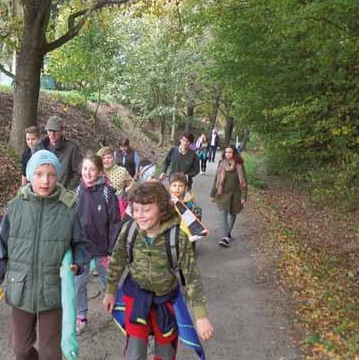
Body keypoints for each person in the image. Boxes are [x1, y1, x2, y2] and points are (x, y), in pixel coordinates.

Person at [0, 150, 89, 360]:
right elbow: (1, 248)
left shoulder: (68, 208)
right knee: (20, 349)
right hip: (21, 288)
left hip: (53, 290)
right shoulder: (16, 207)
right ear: (30, 175)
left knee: (50, 353)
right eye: (39, 174)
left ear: (57, 176)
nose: (45, 181)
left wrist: (77, 263)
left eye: (51, 174)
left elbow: (81, 244)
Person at [103, 181, 214, 359]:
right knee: (134, 351)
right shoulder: (130, 230)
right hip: (136, 298)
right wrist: (110, 290)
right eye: (136, 209)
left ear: (162, 208)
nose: (140, 215)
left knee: (165, 351)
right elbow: (117, 260)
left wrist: (200, 316)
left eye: (146, 210)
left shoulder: (177, 237)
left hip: (166, 301)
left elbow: (192, 276)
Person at [75, 153, 122, 334]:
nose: (88, 172)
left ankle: (118, 310)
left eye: (92, 169)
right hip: (82, 250)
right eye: (85, 168)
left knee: (109, 282)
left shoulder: (107, 193)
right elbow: (72, 221)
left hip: (103, 249)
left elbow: (115, 223)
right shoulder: (76, 192)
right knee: (79, 284)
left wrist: (111, 250)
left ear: (100, 171)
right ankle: (81, 315)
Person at [210, 145, 247, 247]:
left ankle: (228, 232)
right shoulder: (221, 164)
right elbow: (216, 179)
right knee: (223, 213)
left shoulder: (239, 165)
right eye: (226, 152)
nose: (228, 154)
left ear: (234, 153)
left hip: (236, 193)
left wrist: (244, 196)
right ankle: (225, 237)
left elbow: (244, 181)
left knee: (233, 213)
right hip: (223, 193)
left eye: (230, 152)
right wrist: (213, 193)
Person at [36, 115, 82, 189]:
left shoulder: (72, 148)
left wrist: (67, 190)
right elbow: (34, 170)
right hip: (42, 190)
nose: (52, 134)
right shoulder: (40, 146)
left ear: (62, 130)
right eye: (49, 130)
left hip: (62, 194)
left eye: (55, 131)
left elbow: (78, 172)